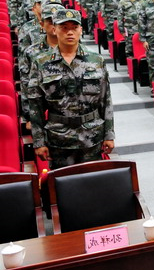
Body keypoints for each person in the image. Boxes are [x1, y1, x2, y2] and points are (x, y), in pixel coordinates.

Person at [28, 9, 115, 169]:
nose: (69, 32)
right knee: (63, 182)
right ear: (54, 29)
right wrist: (39, 141)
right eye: (64, 27)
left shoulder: (96, 60)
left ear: (81, 30)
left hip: (91, 135)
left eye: (74, 27)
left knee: (92, 179)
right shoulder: (41, 62)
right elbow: (35, 106)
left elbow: (106, 100)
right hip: (58, 138)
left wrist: (109, 134)